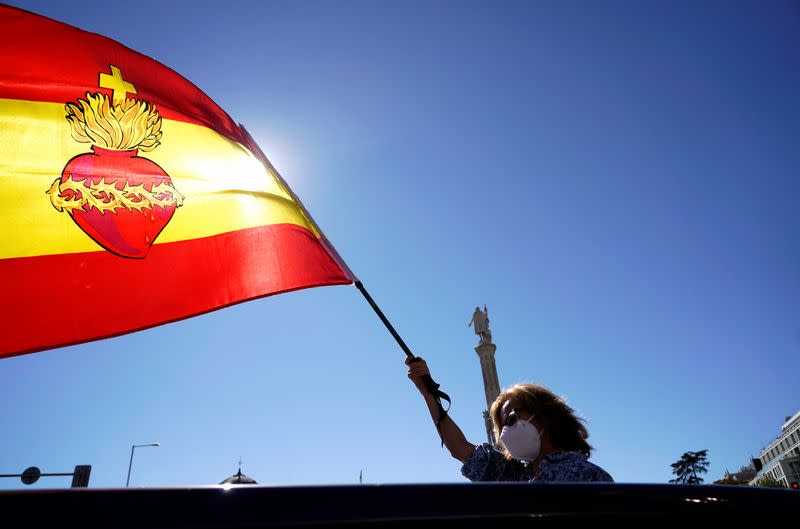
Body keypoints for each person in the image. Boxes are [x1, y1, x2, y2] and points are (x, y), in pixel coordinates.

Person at [405, 356, 613, 483]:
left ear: (544, 415)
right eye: (502, 426)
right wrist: (429, 394)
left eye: (512, 419)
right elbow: (460, 448)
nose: (506, 433)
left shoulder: (589, 478)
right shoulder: (514, 477)